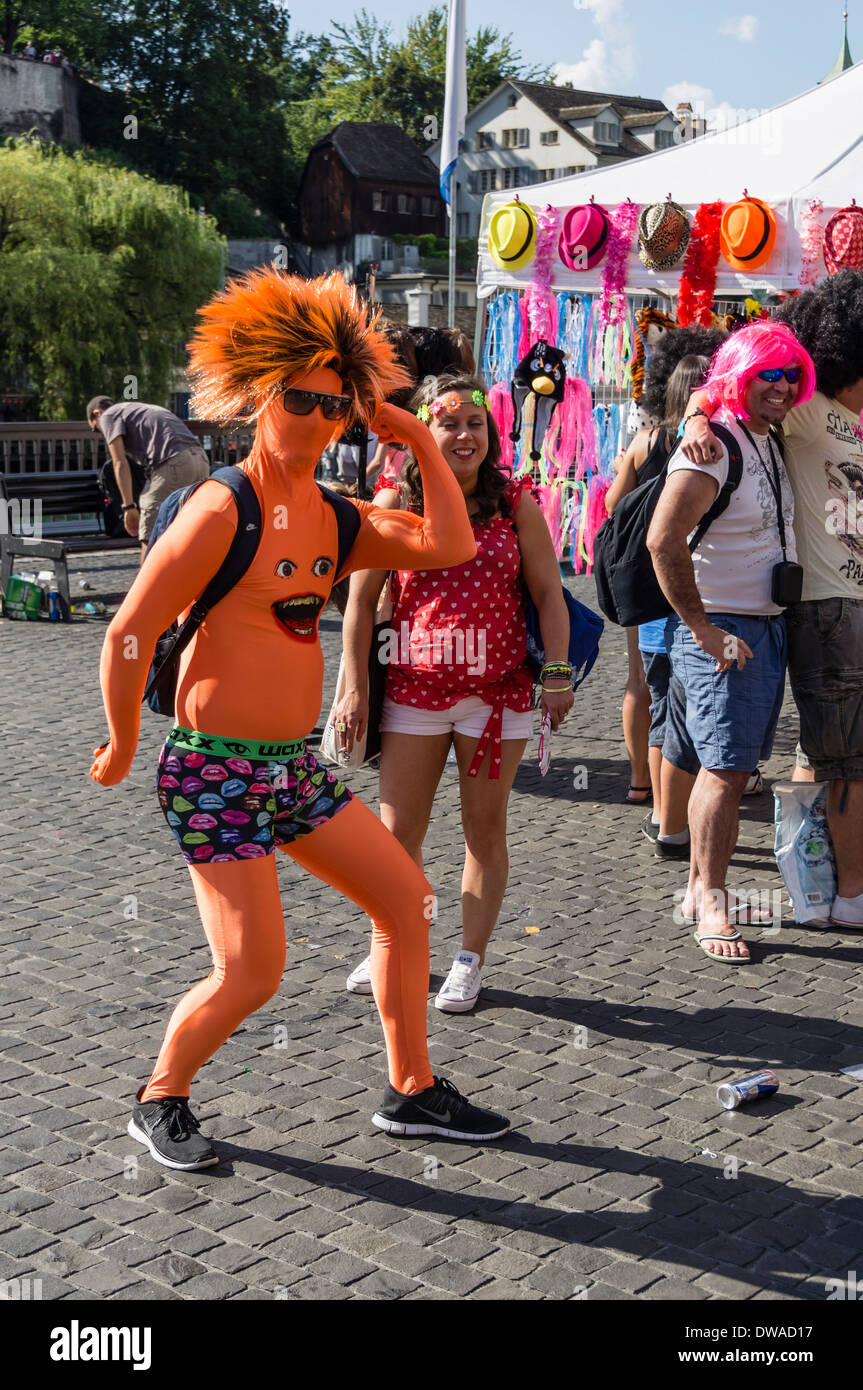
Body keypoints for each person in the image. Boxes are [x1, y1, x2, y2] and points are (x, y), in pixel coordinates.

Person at [90, 270, 511, 1170]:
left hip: (291, 768)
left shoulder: (333, 514)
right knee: (253, 969)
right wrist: (124, 741)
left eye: (336, 405)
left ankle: (410, 1090)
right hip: (211, 769)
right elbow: (130, 632)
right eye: (301, 399)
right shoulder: (219, 505)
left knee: (405, 901)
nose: (317, 419)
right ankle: (158, 1098)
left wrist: (413, 439)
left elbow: (449, 543)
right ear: (259, 397)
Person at [334, 372, 574, 1011]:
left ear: (489, 433)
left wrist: (557, 671)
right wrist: (352, 689)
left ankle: (470, 959)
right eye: (449, 423)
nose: (464, 434)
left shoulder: (515, 500)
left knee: (483, 832)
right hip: (411, 691)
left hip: (497, 698)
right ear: (421, 432)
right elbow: (358, 605)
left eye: (475, 423)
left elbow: (550, 594)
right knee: (396, 835)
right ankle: (394, 943)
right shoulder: (394, 499)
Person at [684, 272, 863, 929]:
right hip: (816, 609)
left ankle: (811, 883)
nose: (784, 383)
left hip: (826, 610)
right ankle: (843, 895)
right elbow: (723, 379)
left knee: (818, 754)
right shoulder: (805, 414)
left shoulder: (835, 418)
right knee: (835, 760)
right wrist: (695, 414)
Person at [647, 321, 816, 962]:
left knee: (717, 760)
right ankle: (711, 902)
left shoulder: (763, 435)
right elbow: (662, 542)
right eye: (766, 374)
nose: (781, 385)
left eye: (790, 373)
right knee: (728, 769)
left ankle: (698, 888)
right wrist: (704, 631)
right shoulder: (714, 445)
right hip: (728, 630)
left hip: (758, 625)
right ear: (741, 376)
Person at [607, 355, 711, 853]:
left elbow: (612, 506)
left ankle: (645, 794)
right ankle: (678, 810)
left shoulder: (645, 442)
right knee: (687, 703)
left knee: (648, 691)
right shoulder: (718, 443)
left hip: (647, 588)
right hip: (694, 585)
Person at [87, 396, 211, 558]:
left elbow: (120, 464)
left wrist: (128, 508)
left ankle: (148, 583)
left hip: (174, 462)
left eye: (95, 429)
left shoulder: (108, 415)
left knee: (151, 533)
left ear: (97, 413)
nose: (102, 434)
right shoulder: (137, 408)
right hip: (200, 460)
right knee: (187, 530)